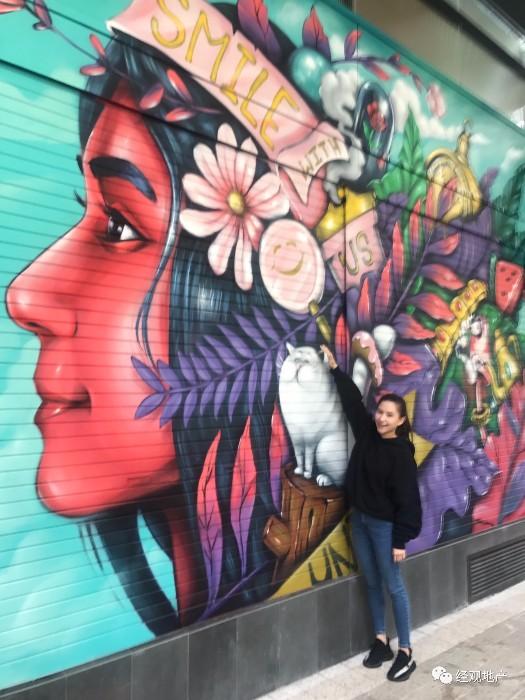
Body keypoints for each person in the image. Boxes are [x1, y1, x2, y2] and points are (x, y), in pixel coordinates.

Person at [321, 343, 422, 682]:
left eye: (390, 415)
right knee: (373, 582)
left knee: (394, 585)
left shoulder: (401, 454)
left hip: (385, 528)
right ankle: (381, 640)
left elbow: (409, 500)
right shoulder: (367, 433)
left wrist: (401, 539)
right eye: (380, 412)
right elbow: (352, 401)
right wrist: (335, 369)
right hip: (361, 521)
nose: (382, 418)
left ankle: (406, 651)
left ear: (401, 421)